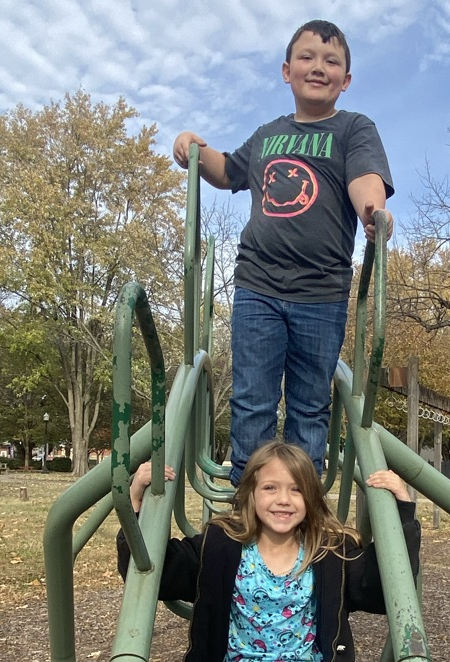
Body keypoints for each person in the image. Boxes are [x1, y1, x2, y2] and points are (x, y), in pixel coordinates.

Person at [172, 19, 395, 486]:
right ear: (286, 70)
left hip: (321, 293)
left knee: (309, 405)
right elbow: (228, 171)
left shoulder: (352, 129)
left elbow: (364, 179)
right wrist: (195, 147)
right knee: (252, 399)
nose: (319, 67)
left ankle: (302, 501)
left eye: (332, 61)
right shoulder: (268, 134)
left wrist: (373, 211)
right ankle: (248, 502)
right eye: (308, 57)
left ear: (346, 80)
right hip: (258, 286)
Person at [118, 441, 419, 662]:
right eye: (270, 488)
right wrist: (136, 504)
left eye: (297, 490)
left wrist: (402, 510)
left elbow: (381, 587)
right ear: (251, 493)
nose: (283, 500)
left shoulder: (327, 553)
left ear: (311, 497)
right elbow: (158, 572)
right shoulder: (222, 546)